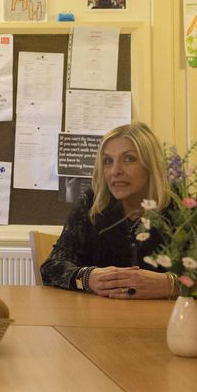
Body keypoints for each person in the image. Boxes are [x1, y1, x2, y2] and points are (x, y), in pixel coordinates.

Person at [41, 122, 177, 299]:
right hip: (98, 320)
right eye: (107, 161)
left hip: (167, 322)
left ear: (151, 165)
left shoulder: (182, 208)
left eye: (129, 159)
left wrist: (171, 284)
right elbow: (51, 268)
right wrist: (88, 278)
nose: (115, 171)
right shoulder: (92, 204)